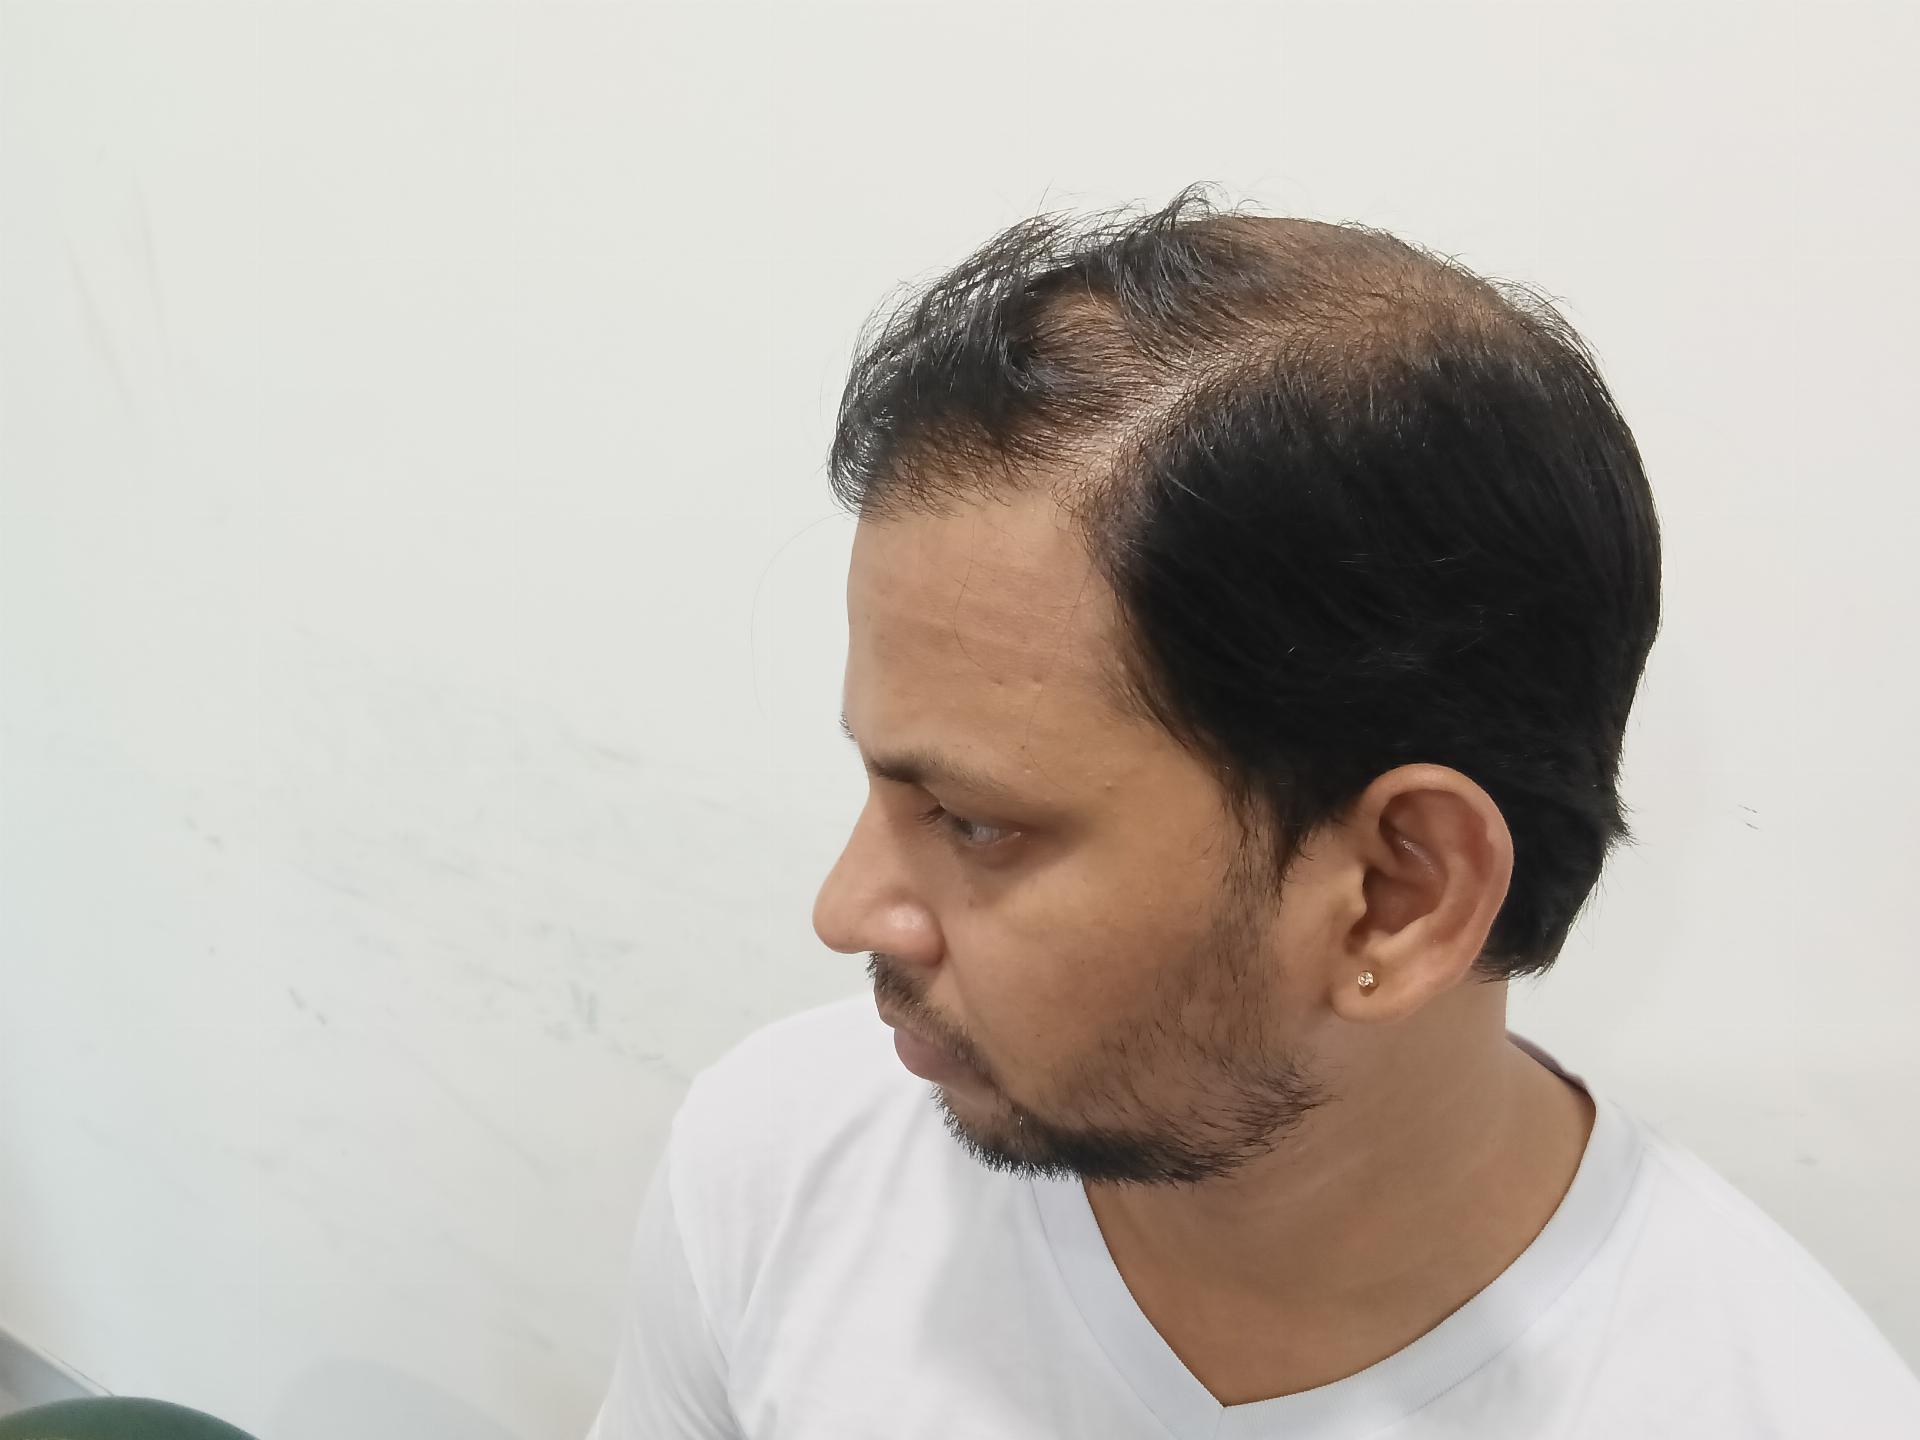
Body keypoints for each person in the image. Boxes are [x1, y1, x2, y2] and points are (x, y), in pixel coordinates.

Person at [586, 185, 1920, 1438]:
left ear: (1395, 896)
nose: (846, 911)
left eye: (976, 823)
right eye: (882, 785)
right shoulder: (784, 1167)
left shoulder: (1772, 1403)